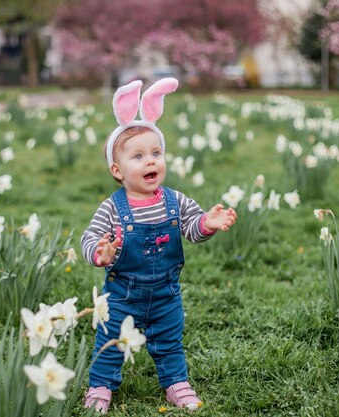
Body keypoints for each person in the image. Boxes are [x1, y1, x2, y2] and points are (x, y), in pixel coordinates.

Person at [80, 78, 237, 414]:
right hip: (122, 293)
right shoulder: (112, 208)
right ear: (117, 170)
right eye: (138, 156)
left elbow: (192, 229)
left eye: (156, 153)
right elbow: (88, 238)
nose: (151, 161)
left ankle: (176, 384)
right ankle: (101, 386)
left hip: (166, 292)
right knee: (110, 344)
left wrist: (206, 224)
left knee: (169, 342)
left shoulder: (174, 199)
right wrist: (99, 252)